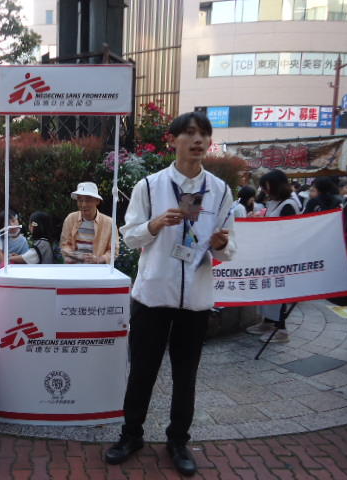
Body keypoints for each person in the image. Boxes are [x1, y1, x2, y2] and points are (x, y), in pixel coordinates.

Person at [104, 112, 236, 476]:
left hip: (195, 299)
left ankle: (178, 441)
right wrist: (155, 223)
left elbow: (229, 249)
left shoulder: (221, 191)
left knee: (186, 375)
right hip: (152, 296)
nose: (198, 140)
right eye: (190, 133)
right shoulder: (150, 186)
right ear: (172, 139)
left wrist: (221, 245)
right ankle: (131, 435)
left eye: (204, 134)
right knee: (142, 371)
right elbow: (129, 237)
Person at [245, 169, 300, 343]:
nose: (264, 190)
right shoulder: (274, 202)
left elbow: (287, 232)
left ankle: (281, 329)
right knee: (267, 290)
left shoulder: (288, 205)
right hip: (268, 254)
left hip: (280, 257)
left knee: (278, 293)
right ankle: (268, 322)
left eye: (266, 186)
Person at [60, 182, 116, 264]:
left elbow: (114, 250)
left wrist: (99, 259)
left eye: (88, 200)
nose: (83, 204)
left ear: (97, 201)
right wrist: (73, 256)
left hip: (97, 269)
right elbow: (64, 245)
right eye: (80, 200)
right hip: (73, 267)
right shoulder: (70, 219)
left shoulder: (109, 223)